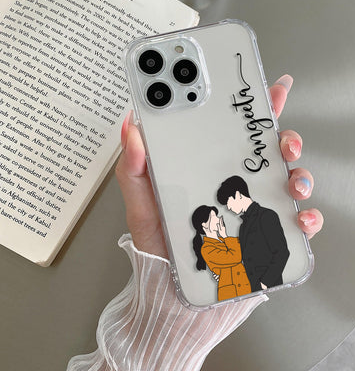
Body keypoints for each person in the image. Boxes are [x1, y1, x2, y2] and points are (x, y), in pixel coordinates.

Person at [67, 75, 324, 371]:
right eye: (218, 213)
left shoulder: (249, 224)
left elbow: (255, 252)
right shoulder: (211, 247)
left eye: (225, 207)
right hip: (228, 290)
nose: (225, 213)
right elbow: (237, 255)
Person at [217, 175, 290, 291]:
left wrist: (265, 283)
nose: (228, 208)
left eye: (228, 202)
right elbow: (243, 258)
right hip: (250, 288)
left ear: (238, 195)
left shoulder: (267, 216)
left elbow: (282, 253)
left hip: (270, 287)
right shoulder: (243, 226)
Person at [192, 205, 251, 301]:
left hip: (245, 287)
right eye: (213, 217)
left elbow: (246, 250)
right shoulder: (207, 249)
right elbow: (236, 257)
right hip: (231, 293)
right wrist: (225, 236)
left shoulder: (225, 240)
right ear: (204, 224)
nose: (218, 219)